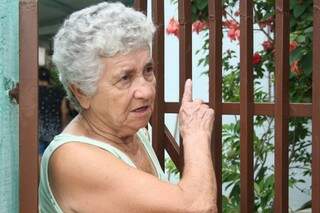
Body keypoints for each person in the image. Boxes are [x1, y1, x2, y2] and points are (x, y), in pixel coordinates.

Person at [39, 2, 217, 213]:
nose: (147, 91)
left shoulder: (134, 133)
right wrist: (195, 134)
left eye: (148, 70)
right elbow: (197, 207)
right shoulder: (73, 158)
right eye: (125, 78)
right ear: (82, 92)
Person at [38, 67, 66, 155]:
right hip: (55, 129)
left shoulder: (34, 92)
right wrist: (63, 127)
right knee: (53, 154)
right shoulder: (58, 92)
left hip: (39, 130)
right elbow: (64, 111)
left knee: (39, 155)